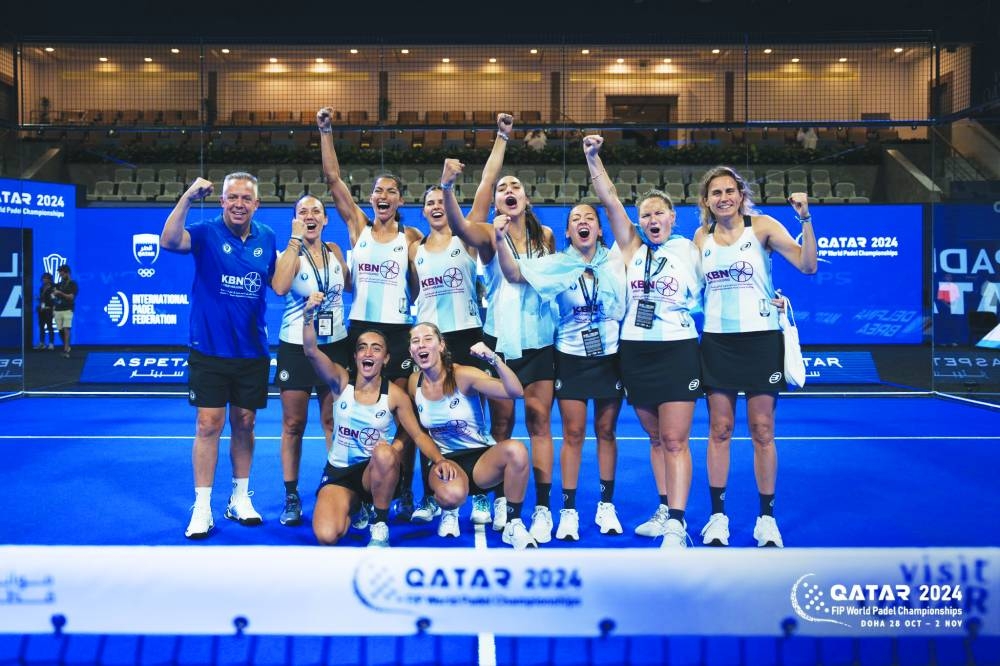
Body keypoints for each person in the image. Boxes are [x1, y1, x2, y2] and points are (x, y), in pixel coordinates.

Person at [441, 113, 559, 544]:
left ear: (526, 199)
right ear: (496, 203)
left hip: (541, 342)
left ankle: (542, 509)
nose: (508, 191)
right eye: (502, 188)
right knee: (503, 426)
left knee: (541, 421)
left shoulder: (547, 236)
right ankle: (493, 499)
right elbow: (457, 225)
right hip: (500, 342)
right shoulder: (491, 235)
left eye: (516, 187)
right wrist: (449, 188)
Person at [584, 134, 705, 548]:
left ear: (673, 217)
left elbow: (730, 271)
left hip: (677, 350)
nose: (652, 219)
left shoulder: (692, 248)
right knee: (656, 439)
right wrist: (593, 158)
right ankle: (664, 506)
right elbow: (611, 201)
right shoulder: (633, 248)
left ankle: (677, 522)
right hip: (635, 350)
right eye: (646, 214)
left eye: (659, 213)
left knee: (675, 439)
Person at [693, 166, 817, 548]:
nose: (724, 198)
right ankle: (718, 517)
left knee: (763, 431)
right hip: (717, 341)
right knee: (720, 430)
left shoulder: (762, 227)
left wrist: (806, 219)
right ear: (707, 200)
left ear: (740, 194)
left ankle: (766, 518)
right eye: (716, 193)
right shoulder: (701, 237)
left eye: (730, 190)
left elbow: (807, 265)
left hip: (761, 340)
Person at [494, 203, 628, 540]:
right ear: (567, 232)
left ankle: (605, 505)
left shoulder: (615, 260)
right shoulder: (556, 264)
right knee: (573, 433)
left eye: (590, 219)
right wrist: (498, 239)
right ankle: (567, 511)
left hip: (610, 354)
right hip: (569, 354)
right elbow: (514, 274)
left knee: (607, 431)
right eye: (575, 220)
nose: (583, 224)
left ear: (599, 229)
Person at [317, 106, 425, 520]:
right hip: (359, 329)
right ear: (371, 198)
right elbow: (333, 180)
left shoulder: (410, 236)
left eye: (390, 193)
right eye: (377, 192)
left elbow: (419, 280)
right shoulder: (358, 228)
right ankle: (355, 488)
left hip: (398, 332)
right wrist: (326, 131)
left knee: (401, 418)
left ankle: (403, 490)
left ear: (400, 200)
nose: (382, 197)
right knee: (351, 411)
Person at [160, 173, 278, 540]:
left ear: (256, 205)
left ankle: (240, 498)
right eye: (232, 198)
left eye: (246, 198)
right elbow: (167, 241)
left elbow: (279, 283)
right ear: (222, 202)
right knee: (208, 425)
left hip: (252, 351)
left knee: (245, 424)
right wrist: (188, 197)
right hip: (209, 349)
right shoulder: (206, 232)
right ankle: (202, 506)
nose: (239, 204)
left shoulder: (268, 238)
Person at [302, 295, 448, 548]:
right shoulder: (340, 382)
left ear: (386, 359)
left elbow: (417, 435)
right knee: (327, 535)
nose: (368, 353)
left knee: (383, 452)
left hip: (375, 471)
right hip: (339, 473)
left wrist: (439, 460)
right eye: (362, 347)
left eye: (376, 348)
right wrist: (307, 317)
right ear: (356, 356)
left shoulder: (395, 396)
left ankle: (379, 525)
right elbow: (311, 351)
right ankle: (356, 507)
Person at [407, 322, 537, 549]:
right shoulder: (414, 382)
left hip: (481, 461)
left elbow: (515, 392)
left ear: (441, 345)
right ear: (411, 351)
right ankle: (449, 511)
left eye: (428, 339)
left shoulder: (463, 375)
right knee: (450, 496)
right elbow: (420, 433)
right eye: (415, 341)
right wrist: (438, 460)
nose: (421, 345)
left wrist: (493, 360)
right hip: (445, 461)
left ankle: (513, 524)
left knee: (517, 450)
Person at [407, 185, 490, 525]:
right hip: (429, 338)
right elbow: (415, 292)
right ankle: (433, 494)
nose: (437, 206)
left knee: (476, 415)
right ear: (423, 212)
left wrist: (501, 137)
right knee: (429, 418)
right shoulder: (415, 250)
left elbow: (485, 188)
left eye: (442, 201)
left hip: (466, 333)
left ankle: (483, 494)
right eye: (430, 203)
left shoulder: (466, 239)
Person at [271, 194, 351, 527]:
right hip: (297, 346)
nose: (309, 215)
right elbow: (278, 287)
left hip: (336, 345)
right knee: (294, 425)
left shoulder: (334, 250)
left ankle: (336, 483)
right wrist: (294, 239)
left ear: (326, 218)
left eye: (316, 210)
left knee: (334, 421)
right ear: (295, 219)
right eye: (302, 212)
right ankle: (291, 494)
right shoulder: (287, 253)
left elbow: (347, 285)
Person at [51, 264, 78, 358]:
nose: (60, 275)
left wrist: (60, 293)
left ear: (67, 273)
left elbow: (71, 297)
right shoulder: (58, 284)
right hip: (58, 309)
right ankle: (67, 346)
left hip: (68, 309)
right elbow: (54, 297)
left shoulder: (73, 284)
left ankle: (66, 350)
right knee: (60, 330)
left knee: (67, 329)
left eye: (62, 274)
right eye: (59, 274)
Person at [35, 272, 56, 350]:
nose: (44, 280)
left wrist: (53, 309)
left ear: (49, 279)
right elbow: (43, 299)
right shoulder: (41, 288)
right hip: (42, 310)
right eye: (43, 278)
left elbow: (53, 299)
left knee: (50, 326)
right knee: (41, 327)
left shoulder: (53, 288)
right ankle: (42, 343)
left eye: (46, 278)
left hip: (49, 310)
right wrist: (39, 299)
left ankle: (51, 344)